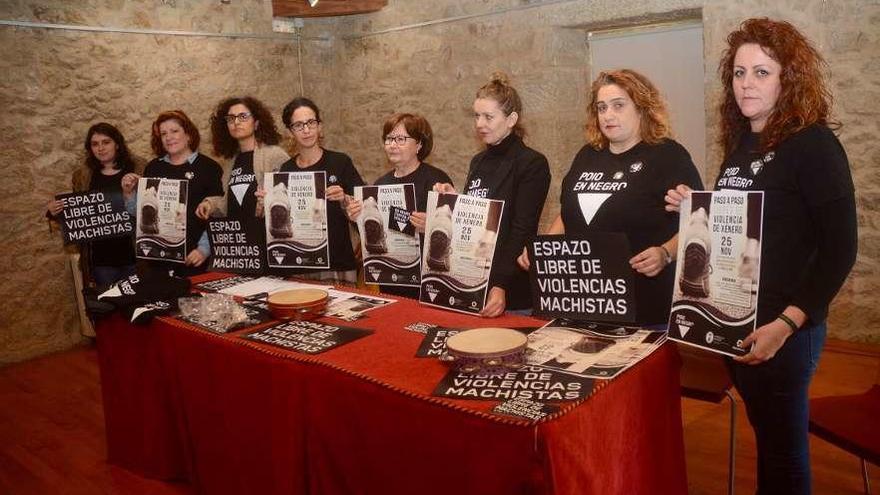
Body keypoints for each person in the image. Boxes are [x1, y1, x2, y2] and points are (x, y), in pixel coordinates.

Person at [665, 18, 858, 494]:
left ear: (787, 79)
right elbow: (749, 219)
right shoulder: (743, 143)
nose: (746, 84)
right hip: (739, 322)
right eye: (738, 73)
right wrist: (696, 207)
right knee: (769, 443)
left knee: (785, 453)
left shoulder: (813, 145)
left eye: (761, 72)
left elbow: (840, 249)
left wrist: (787, 324)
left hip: (785, 331)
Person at [517, 69, 702, 327]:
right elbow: (570, 213)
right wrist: (543, 248)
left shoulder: (669, 156)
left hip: (645, 305)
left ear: (641, 108)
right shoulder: (587, 155)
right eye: (602, 108)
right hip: (584, 299)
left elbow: (700, 221)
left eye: (618, 105)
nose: (608, 115)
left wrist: (665, 253)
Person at [435, 72, 551, 317]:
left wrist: (500, 284)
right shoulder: (478, 161)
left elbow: (522, 229)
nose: (479, 124)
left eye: (488, 116)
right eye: (477, 116)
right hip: (474, 279)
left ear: (511, 119)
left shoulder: (532, 163)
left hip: (511, 287)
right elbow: (478, 218)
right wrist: (454, 200)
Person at [345, 112, 453, 298]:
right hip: (391, 278)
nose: (392, 145)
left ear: (419, 144)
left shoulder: (436, 179)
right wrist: (355, 217)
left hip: (430, 281)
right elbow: (374, 232)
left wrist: (430, 226)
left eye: (401, 139)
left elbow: (454, 231)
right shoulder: (380, 184)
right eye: (389, 139)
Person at [123, 110, 224, 277]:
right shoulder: (153, 167)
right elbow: (140, 214)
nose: (169, 137)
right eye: (163, 134)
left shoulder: (209, 168)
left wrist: (204, 249)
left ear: (189, 135)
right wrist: (128, 194)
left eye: (174, 131)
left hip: (195, 258)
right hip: (157, 261)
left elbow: (219, 212)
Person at [277, 97, 365, 283]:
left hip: (337, 263)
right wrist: (267, 204)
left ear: (319, 125)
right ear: (290, 131)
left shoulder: (340, 162)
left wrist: (345, 199)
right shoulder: (285, 170)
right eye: (299, 125)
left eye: (311, 122)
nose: (307, 130)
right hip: (299, 263)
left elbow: (364, 210)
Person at [46, 122, 141, 286]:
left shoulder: (138, 168)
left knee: (140, 306)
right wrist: (53, 211)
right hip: (101, 259)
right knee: (109, 307)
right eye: (95, 144)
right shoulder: (83, 175)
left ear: (117, 144)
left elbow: (152, 208)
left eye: (106, 142)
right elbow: (77, 213)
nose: (100, 148)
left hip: (135, 254)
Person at [198, 96, 289, 232]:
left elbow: (291, 196)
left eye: (243, 116)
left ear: (256, 123)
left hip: (267, 239)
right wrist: (210, 204)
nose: (236, 122)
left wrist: (269, 199)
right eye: (231, 118)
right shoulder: (230, 163)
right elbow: (229, 203)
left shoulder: (274, 155)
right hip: (241, 243)